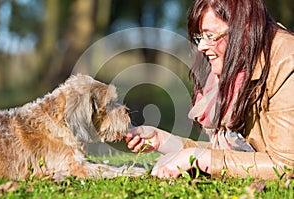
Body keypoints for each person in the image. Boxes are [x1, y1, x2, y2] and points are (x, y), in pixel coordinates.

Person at [125, 0, 294, 180]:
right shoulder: (239, 67)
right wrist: (163, 140)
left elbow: (286, 164)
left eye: (210, 36)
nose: (201, 46)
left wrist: (198, 159)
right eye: (200, 37)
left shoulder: (286, 60)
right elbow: (234, 154)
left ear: (243, 30)